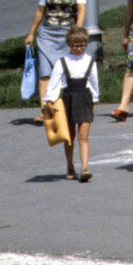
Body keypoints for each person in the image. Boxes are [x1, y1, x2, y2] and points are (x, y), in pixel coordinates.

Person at [23, 0, 89, 124]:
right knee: (45, 73)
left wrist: (78, 30)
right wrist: (31, 33)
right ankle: (45, 110)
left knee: (66, 73)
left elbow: (81, 8)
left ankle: (66, 109)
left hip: (67, 31)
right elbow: (40, 10)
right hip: (48, 33)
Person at [48, 25, 101, 183]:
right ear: (69, 44)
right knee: (69, 137)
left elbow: (93, 83)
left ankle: (85, 168)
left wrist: (94, 101)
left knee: (83, 137)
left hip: (84, 98)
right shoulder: (62, 62)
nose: (79, 48)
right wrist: (49, 101)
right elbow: (54, 83)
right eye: (75, 45)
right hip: (67, 100)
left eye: (82, 45)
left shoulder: (90, 62)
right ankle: (70, 166)